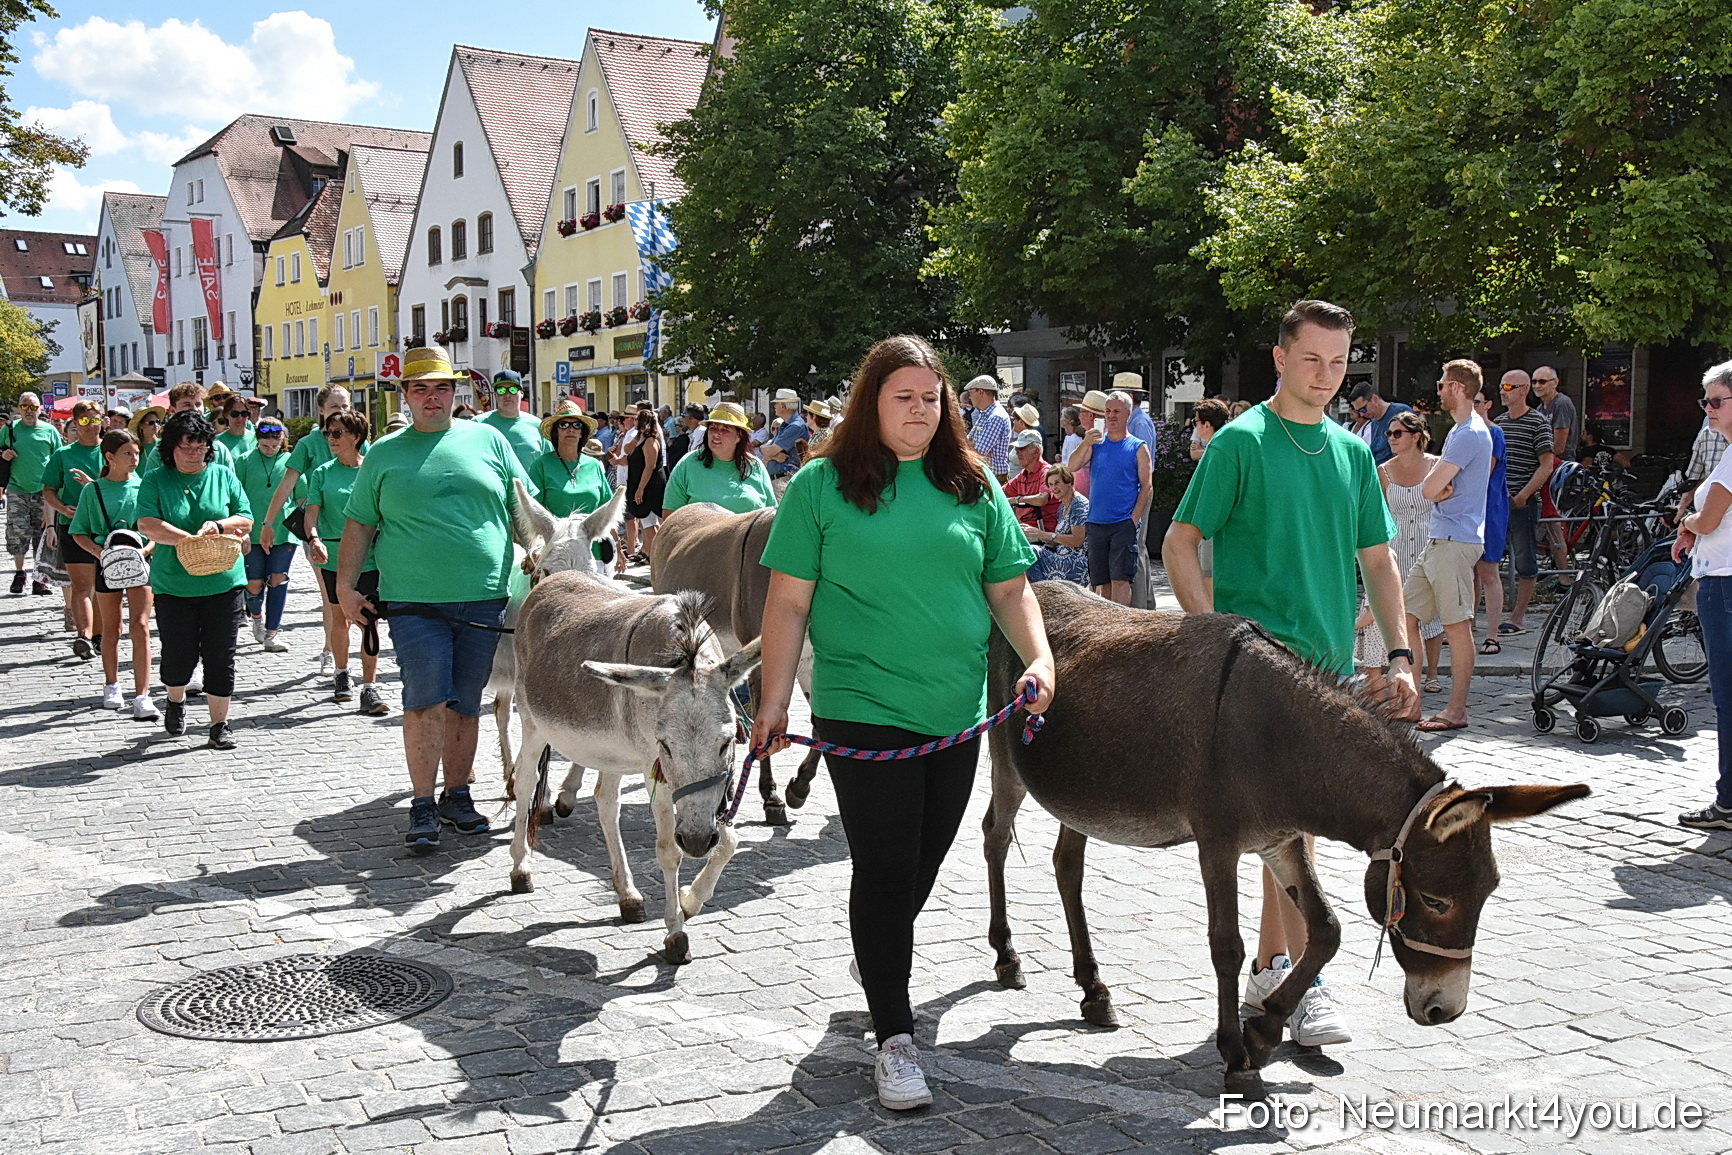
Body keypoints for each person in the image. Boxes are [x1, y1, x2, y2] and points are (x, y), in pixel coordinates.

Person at [752, 334, 1054, 1111]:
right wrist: (774, 700)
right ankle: (894, 1036)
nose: (920, 411)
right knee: (886, 868)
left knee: (920, 861)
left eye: (930, 398)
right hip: (861, 707)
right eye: (903, 398)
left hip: (955, 712)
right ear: (871, 403)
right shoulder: (821, 486)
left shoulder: (971, 483)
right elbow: (787, 602)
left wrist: (1040, 657)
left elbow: (1010, 588)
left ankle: (876, 950)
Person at [1164, 299, 1418, 1051]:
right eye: (1312, 359)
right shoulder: (1240, 443)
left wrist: (1400, 653)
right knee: (1289, 826)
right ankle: (1289, 974)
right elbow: (1180, 542)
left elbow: (1380, 561)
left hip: (1329, 675)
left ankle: (1277, 971)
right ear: (1280, 358)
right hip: (1256, 676)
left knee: (1296, 827)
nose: (1326, 375)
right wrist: (1213, 641)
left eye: (1339, 362)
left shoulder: (1351, 453)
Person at [338, 345, 535, 848]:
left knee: (466, 702)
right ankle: (423, 803)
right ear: (405, 395)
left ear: (454, 392)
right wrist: (344, 587)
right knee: (425, 698)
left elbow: (523, 508)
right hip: (414, 602)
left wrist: (537, 550)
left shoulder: (489, 440)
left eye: (442, 387)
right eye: (421, 388)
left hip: (485, 599)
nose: (433, 397)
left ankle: (457, 795)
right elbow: (359, 524)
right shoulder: (385, 453)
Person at [136, 409, 253, 749]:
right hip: (174, 583)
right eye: (186, 446)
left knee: (221, 656)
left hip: (224, 581)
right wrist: (186, 540)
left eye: (200, 446)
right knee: (179, 656)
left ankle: (219, 725)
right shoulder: (156, 479)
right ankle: (175, 700)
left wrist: (219, 526)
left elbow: (245, 518)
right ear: (171, 447)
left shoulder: (222, 475)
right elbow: (147, 523)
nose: (193, 453)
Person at [1402, 360, 1494, 732]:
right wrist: (1438, 488)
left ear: (1456, 387)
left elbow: (1427, 488)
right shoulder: (1462, 430)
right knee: (1405, 616)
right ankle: (1411, 702)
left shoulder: (1470, 433)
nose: (1438, 390)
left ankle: (1456, 711)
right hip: (1441, 539)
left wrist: (1437, 489)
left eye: (1442, 384)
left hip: (1455, 541)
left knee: (1457, 626)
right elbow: (1434, 486)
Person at [1675, 361, 1732, 829]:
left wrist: (1688, 522)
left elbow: (1709, 519)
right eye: (1705, 401)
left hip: (1724, 583)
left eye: (1716, 401)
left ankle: (1728, 801)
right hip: (1721, 576)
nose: (1708, 409)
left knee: (1727, 696)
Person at [261, 384, 352, 675]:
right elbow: (287, 484)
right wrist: (268, 523)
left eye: (346, 406)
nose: (341, 411)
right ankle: (330, 650)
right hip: (319, 532)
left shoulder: (357, 438)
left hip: (353, 527)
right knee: (331, 594)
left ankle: (341, 649)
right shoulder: (309, 444)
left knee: (350, 593)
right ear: (322, 410)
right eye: (335, 406)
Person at [69, 429, 158, 718]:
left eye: (137, 453)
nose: (134, 459)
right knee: (112, 628)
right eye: (127, 453)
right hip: (107, 565)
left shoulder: (144, 486)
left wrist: (147, 549)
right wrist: (99, 553)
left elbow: (156, 527)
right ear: (109, 457)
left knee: (141, 626)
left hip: (140, 564)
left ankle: (142, 694)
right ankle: (112, 684)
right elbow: (79, 531)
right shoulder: (93, 490)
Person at [304, 411, 387, 714]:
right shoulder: (322, 473)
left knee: (369, 622)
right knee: (340, 619)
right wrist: (314, 538)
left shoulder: (371, 471)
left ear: (356, 437)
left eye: (338, 433)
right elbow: (311, 512)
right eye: (328, 433)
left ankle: (370, 687)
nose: (331, 439)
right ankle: (341, 673)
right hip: (333, 558)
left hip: (370, 558)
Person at [1354, 412, 1442, 686]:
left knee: (1433, 613)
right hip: (1398, 541)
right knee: (1402, 608)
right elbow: (1379, 510)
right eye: (1388, 434)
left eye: (1397, 433)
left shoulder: (1436, 465)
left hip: (1429, 538)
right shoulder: (1383, 470)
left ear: (1416, 436)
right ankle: (1405, 669)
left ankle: (1433, 673)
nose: (1391, 438)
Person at [1073, 391, 1151, 606]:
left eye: (1117, 411)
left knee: (1121, 580)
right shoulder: (1096, 444)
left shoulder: (1138, 446)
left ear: (1128, 414)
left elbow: (1146, 486)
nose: (1111, 416)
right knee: (1101, 582)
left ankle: (1120, 621)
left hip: (1122, 523)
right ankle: (1107, 621)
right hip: (1096, 522)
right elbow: (1072, 466)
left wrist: (1134, 519)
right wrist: (1086, 442)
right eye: (1107, 411)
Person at [1493, 370, 1555, 634]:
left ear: (1524, 389)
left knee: (1525, 560)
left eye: (1509, 386)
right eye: (1501, 386)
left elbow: (1546, 465)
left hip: (1522, 503)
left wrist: (1523, 496)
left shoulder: (1538, 423)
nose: (1503, 391)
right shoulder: (1498, 423)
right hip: (1496, 502)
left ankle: (1517, 618)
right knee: (1487, 560)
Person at [42, 401, 105, 658]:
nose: (91, 426)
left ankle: (100, 636)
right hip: (74, 526)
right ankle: (84, 636)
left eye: (95, 419)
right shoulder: (63, 454)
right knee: (81, 585)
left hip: (105, 528)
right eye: (85, 421)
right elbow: (49, 490)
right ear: (76, 423)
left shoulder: (111, 451)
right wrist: (61, 508)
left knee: (102, 586)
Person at [529, 400, 613, 576]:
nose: (571, 429)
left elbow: (608, 510)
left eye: (576, 425)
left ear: (582, 432)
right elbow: (532, 514)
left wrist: (617, 548)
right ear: (556, 432)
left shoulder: (594, 465)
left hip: (592, 554)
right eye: (564, 424)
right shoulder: (541, 466)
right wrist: (534, 549)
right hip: (557, 558)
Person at [236, 420, 296, 652]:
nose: (270, 449)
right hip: (252, 531)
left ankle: (272, 633)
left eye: (275, 445)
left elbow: (301, 495)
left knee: (278, 578)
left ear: (283, 441)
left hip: (283, 532)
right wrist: (241, 531)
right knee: (254, 583)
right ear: (258, 441)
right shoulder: (244, 461)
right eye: (265, 445)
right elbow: (236, 496)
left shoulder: (290, 462)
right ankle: (256, 616)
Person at [661, 402, 776, 516]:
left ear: (739, 436)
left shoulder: (755, 466)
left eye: (725, 430)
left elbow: (772, 514)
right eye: (712, 428)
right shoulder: (688, 464)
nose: (716, 434)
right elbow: (670, 516)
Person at [4, 391, 63, 595]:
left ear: (40, 409)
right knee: (17, 532)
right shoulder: (10, 429)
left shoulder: (50, 431)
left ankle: (39, 578)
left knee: (42, 533)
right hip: (17, 488)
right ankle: (19, 573)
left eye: (33, 407)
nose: (29, 411)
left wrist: (56, 495)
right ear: (19, 409)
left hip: (43, 491)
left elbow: (58, 460)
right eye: (25, 407)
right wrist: (3, 453)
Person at [1471, 386, 1509, 649]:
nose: (1473, 407)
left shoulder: (1494, 433)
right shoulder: (1465, 432)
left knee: (1489, 571)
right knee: (1469, 571)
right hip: (1470, 508)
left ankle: (1492, 634)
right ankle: (1468, 625)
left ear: (1488, 405)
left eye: (1477, 402)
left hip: (1490, 507)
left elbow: (1485, 470)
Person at [1024, 464, 1089, 584]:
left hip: (1075, 562)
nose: (1054, 488)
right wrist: (1034, 533)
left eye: (1057, 483)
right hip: (1060, 556)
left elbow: (1077, 541)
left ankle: (1040, 589)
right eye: (1050, 484)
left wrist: (1044, 534)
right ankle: (1040, 589)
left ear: (1068, 482)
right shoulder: (1062, 508)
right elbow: (1057, 540)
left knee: (1031, 551)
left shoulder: (1079, 504)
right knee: (1026, 549)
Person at [478, 370, 548, 474]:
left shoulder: (538, 425)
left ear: (522, 393)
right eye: (501, 390)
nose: (507, 395)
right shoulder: (479, 424)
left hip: (530, 484)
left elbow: (549, 463)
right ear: (495, 395)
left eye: (513, 389)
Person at [620, 407, 666, 567]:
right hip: (642, 483)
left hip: (649, 486)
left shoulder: (650, 441)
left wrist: (640, 489)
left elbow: (650, 466)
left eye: (636, 419)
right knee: (647, 522)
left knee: (649, 522)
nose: (634, 422)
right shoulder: (641, 438)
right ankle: (648, 553)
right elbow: (627, 450)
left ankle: (653, 556)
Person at [1345, 381, 1414, 465]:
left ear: (1374, 399)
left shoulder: (1401, 412)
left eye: (1363, 409)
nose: (1362, 414)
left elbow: (1412, 447)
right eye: (1358, 411)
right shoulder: (1374, 423)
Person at [1003, 429, 1056, 532]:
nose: (1017, 452)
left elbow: (1042, 499)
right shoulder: (1023, 474)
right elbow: (1001, 492)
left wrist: (1016, 500)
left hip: (1043, 533)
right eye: (1016, 449)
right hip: (1027, 531)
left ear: (1036, 451)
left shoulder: (1047, 472)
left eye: (1022, 448)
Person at [964, 376, 1012, 482]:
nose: (969, 397)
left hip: (995, 478)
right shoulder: (985, 414)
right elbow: (968, 441)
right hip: (988, 476)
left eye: (971, 392)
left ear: (981, 392)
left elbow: (979, 452)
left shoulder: (996, 416)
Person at [1065, 391, 1109, 496]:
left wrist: (1086, 443)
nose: (1079, 417)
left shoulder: (1096, 437)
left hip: (1092, 497)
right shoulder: (1097, 435)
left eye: (1081, 412)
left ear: (1090, 415)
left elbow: (1072, 466)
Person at [761, 388, 809, 479]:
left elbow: (770, 451)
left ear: (783, 406)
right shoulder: (785, 424)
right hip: (779, 478)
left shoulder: (795, 426)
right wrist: (774, 456)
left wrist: (769, 454)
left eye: (776, 403)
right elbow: (767, 449)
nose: (774, 406)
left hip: (784, 479)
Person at [129, 405, 167, 476]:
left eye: (157, 421)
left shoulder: (164, 445)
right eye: (151, 422)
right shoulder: (134, 447)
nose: (156, 425)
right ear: (141, 426)